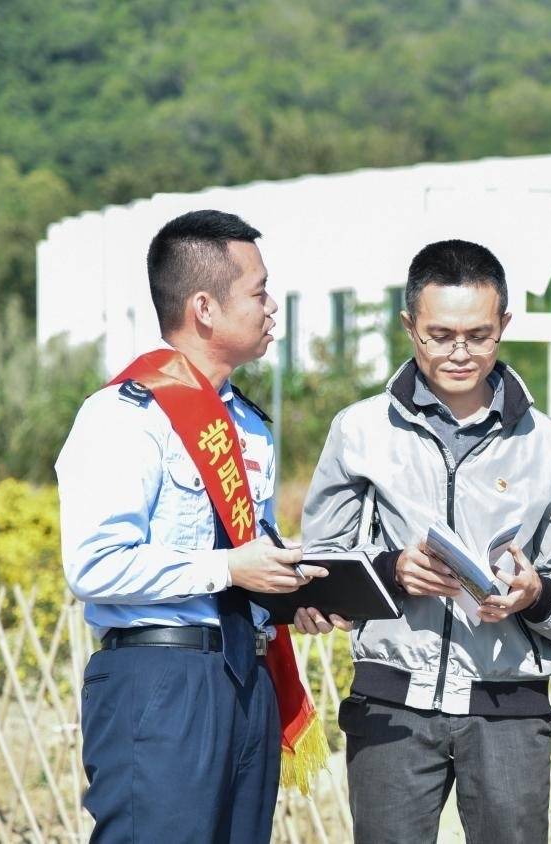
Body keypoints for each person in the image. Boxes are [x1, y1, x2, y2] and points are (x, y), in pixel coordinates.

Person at [297, 239, 551, 844]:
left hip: (508, 707)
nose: (460, 353)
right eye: (440, 334)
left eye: (479, 335)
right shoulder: (360, 430)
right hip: (393, 708)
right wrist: (393, 569)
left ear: (504, 326)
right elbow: (320, 564)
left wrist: (533, 595)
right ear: (410, 327)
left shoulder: (549, 444)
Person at [57, 209, 328, 842]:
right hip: (161, 679)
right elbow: (95, 566)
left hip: (246, 677)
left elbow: (247, 552)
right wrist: (230, 568)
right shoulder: (124, 417)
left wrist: (299, 593)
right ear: (204, 307)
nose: (271, 308)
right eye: (258, 292)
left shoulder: (250, 425)